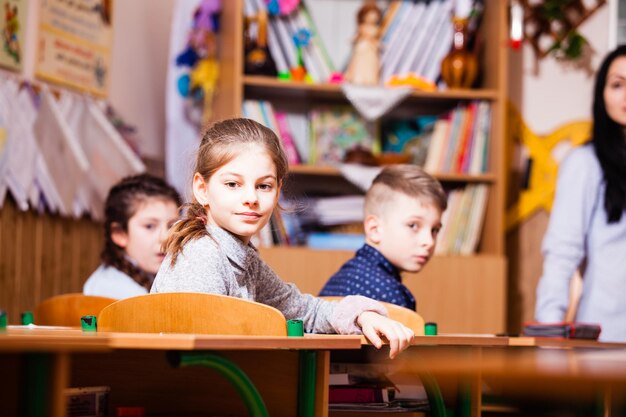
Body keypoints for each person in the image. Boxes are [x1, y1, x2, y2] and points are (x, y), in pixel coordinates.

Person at [152, 118, 414, 358]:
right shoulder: (202, 255)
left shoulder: (243, 258)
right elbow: (202, 355)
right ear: (202, 189)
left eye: (263, 186)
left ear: (277, 192)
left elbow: (303, 311)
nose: (251, 198)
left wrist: (363, 316)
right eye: (233, 184)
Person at [535, 45, 626, 342]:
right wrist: (548, 329)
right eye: (617, 85)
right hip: (609, 339)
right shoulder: (585, 163)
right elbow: (563, 251)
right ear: (602, 95)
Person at [320, 165, 447, 311]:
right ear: (374, 229)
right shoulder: (391, 296)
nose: (429, 242)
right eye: (413, 225)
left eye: (435, 230)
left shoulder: (343, 276)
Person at [83, 174, 181, 299]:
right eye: (150, 226)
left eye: (172, 225)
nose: (166, 237)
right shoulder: (108, 288)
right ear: (120, 234)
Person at [343, 3, 382, 85]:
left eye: (375, 15)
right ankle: (358, 78)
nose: (373, 17)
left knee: (370, 64)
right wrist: (352, 40)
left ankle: (370, 79)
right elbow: (357, 36)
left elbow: (375, 40)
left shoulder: (376, 29)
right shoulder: (362, 27)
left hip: (371, 49)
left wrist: (378, 44)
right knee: (359, 64)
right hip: (361, 48)